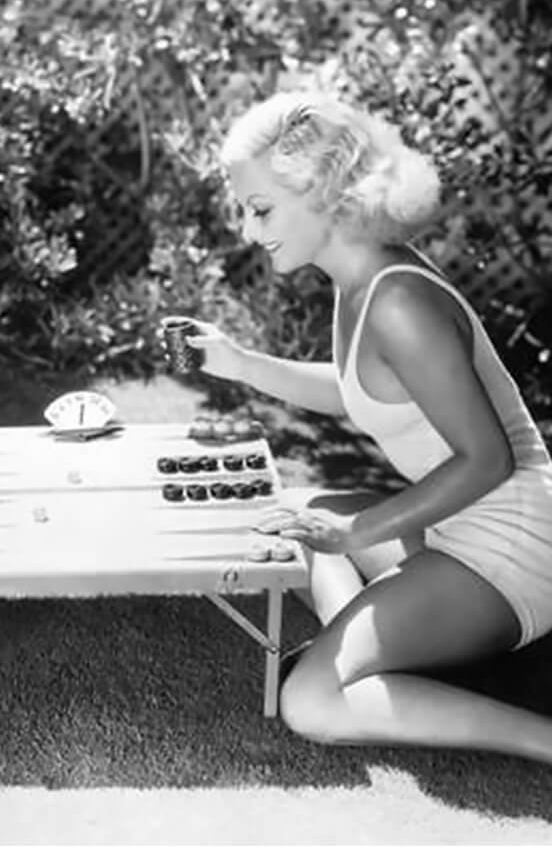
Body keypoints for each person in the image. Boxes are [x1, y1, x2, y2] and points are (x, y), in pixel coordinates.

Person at [174, 91, 552, 763]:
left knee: (309, 702)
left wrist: (359, 532)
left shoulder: (397, 301)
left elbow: (487, 459)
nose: (248, 230)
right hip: (452, 528)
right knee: (294, 516)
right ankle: (375, 641)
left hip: (512, 550)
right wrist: (239, 362)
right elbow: (364, 392)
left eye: (260, 208)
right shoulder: (362, 278)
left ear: (320, 192)